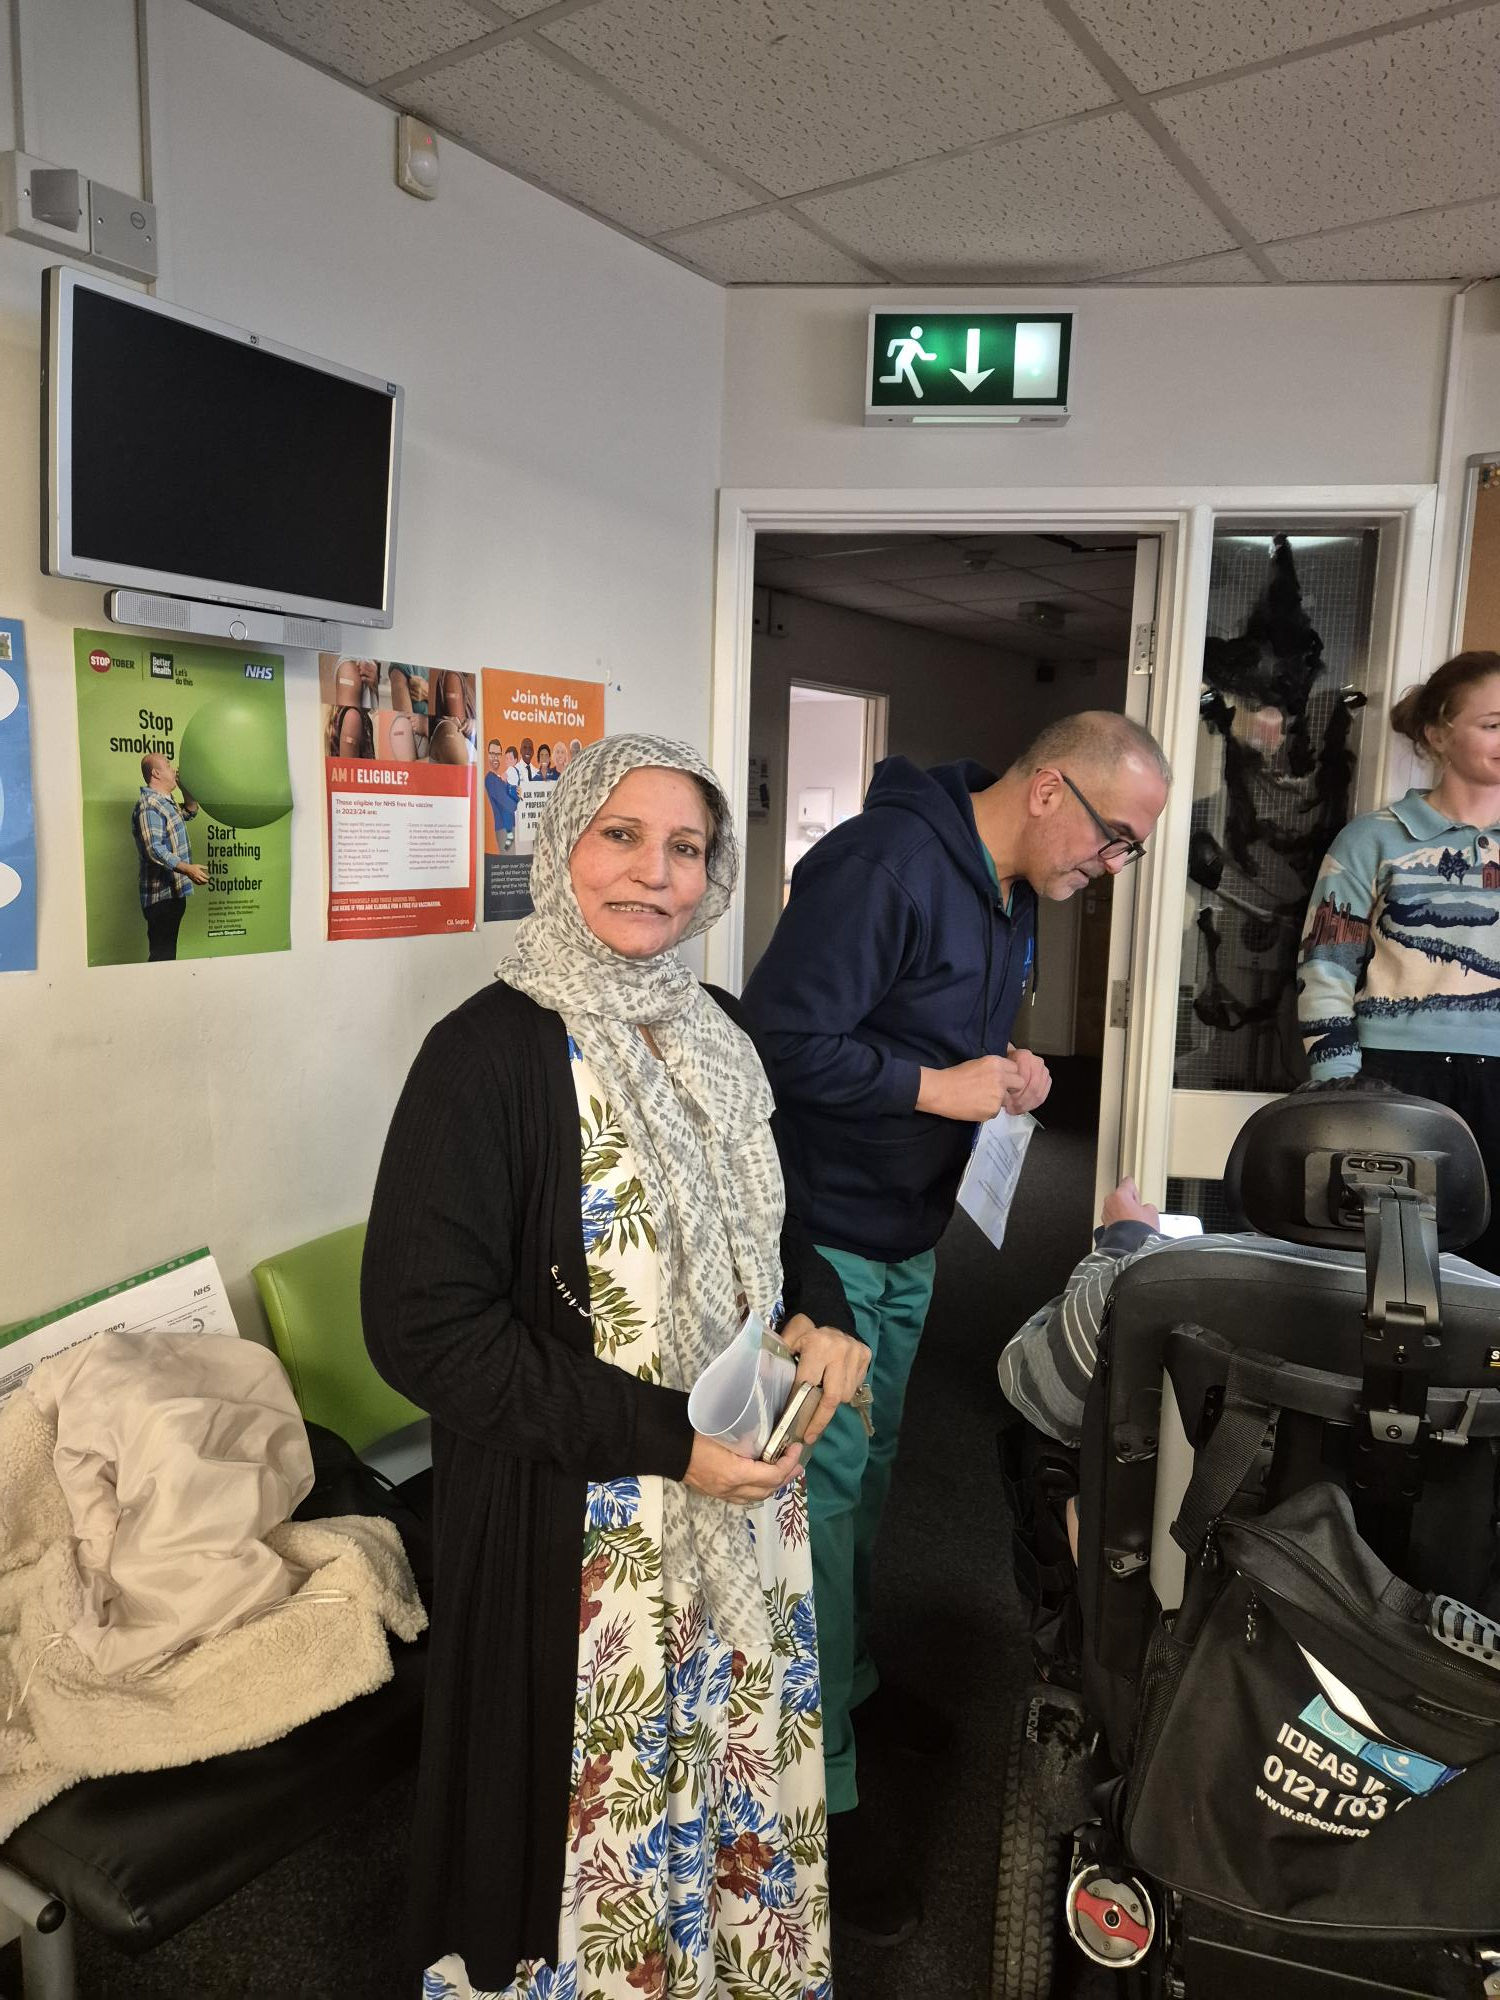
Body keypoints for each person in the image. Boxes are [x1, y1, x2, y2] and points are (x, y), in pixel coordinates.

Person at [363, 734, 871, 2000]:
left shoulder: (719, 1028)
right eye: (623, 835)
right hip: (587, 1529)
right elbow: (423, 1325)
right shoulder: (488, 1053)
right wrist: (668, 1442)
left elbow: (776, 1226)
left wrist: (821, 1313)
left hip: (736, 1498)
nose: (656, 872)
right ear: (563, 846)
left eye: (686, 847)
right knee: (590, 1826)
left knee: (729, 1758)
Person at [741, 709, 1171, 1939]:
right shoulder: (881, 864)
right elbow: (771, 1042)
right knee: (820, 1507)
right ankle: (813, 1798)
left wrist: (1010, 1067)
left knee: (870, 1477)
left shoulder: (1008, 887)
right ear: (1048, 791)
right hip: (824, 1240)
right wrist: (938, 1085)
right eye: (1115, 837)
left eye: (1128, 849)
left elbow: (925, 1027)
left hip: (909, 1230)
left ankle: (849, 1688)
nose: (1112, 866)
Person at [1298, 649, 1500, 1270]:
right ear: (1438, 734)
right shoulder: (1372, 838)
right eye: (1493, 724)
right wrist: (1340, 1086)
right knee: (1391, 1269)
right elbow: (1324, 969)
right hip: (1394, 1078)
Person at [132, 751, 208, 962]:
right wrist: (187, 869)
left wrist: (185, 788)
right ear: (156, 773)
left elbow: (191, 810)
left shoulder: (166, 802)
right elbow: (154, 849)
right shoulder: (149, 805)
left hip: (173, 894)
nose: (173, 769)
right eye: (168, 765)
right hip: (160, 898)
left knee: (167, 956)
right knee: (162, 958)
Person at [484, 738, 517, 850]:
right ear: (488, 755)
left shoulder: (500, 779)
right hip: (504, 831)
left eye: (498, 754)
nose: (495, 757)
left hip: (510, 829)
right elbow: (511, 805)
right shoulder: (491, 779)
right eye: (492, 754)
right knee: (509, 860)